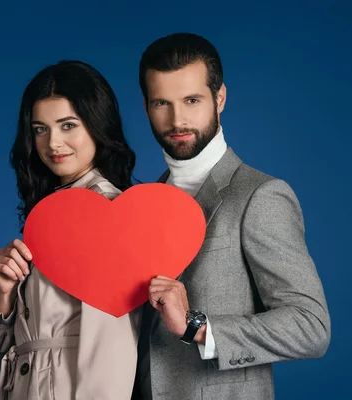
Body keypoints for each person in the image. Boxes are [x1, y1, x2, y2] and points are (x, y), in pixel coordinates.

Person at [134, 33, 331, 400]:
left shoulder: (261, 195)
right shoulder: (144, 203)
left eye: (192, 100)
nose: (178, 119)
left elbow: (311, 326)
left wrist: (197, 326)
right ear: (146, 107)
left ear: (219, 98)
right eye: (163, 102)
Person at [0, 60, 139, 400]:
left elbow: (112, 352)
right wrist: (5, 295)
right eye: (40, 129)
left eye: (68, 125)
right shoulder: (50, 210)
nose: (53, 143)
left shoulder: (109, 213)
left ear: (97, 125)